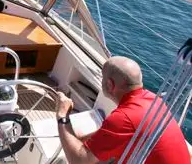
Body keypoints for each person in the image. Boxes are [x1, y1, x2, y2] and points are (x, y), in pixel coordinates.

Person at [56, 56, 189, 164]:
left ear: (109, 85)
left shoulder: (124, 118)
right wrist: (82, 140)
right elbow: (124, 133)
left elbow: (78, 161)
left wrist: (63, 116)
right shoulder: (154, 101)